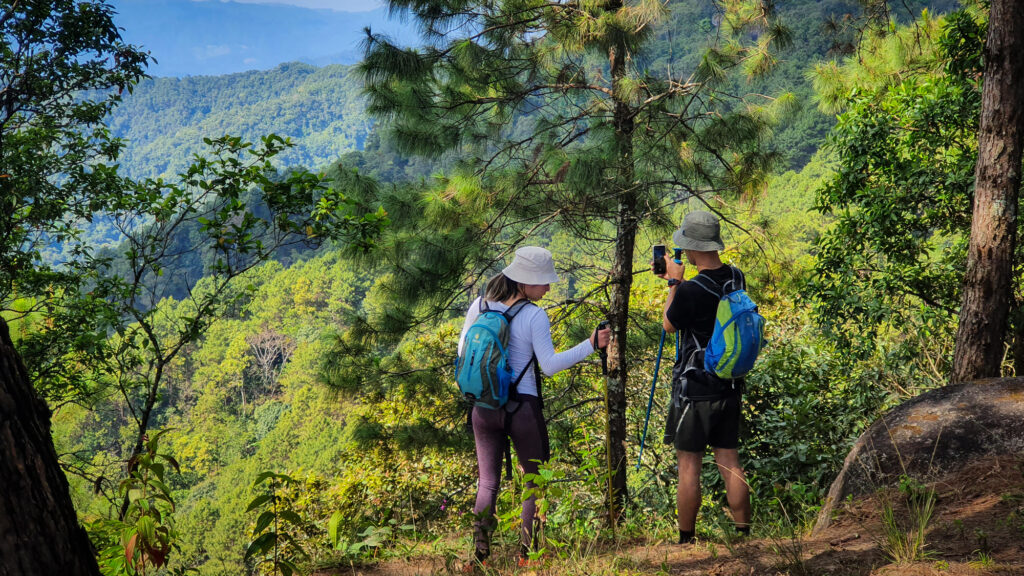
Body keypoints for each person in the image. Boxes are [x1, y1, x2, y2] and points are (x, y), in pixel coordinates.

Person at [457, 246, 610, 568]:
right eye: (543, 282)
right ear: (524, 283)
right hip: (522, 408)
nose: (548, 288)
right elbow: (550, 365)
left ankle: (479, 555)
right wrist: (591, 344)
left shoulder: (479, 305)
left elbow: (462, 352)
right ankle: (528, 554)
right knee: (534, 479)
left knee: (487, 482)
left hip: (483, 407)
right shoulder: (534, 315)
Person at [654, 210, 752, 544]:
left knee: (689, 465)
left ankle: (686, 540)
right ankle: (743, 534)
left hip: (695, 388)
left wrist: (674, 282)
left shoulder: (691, 290)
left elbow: (669, 324)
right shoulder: (736, 277)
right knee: (729, 459)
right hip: (730, 382)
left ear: (692, 248)